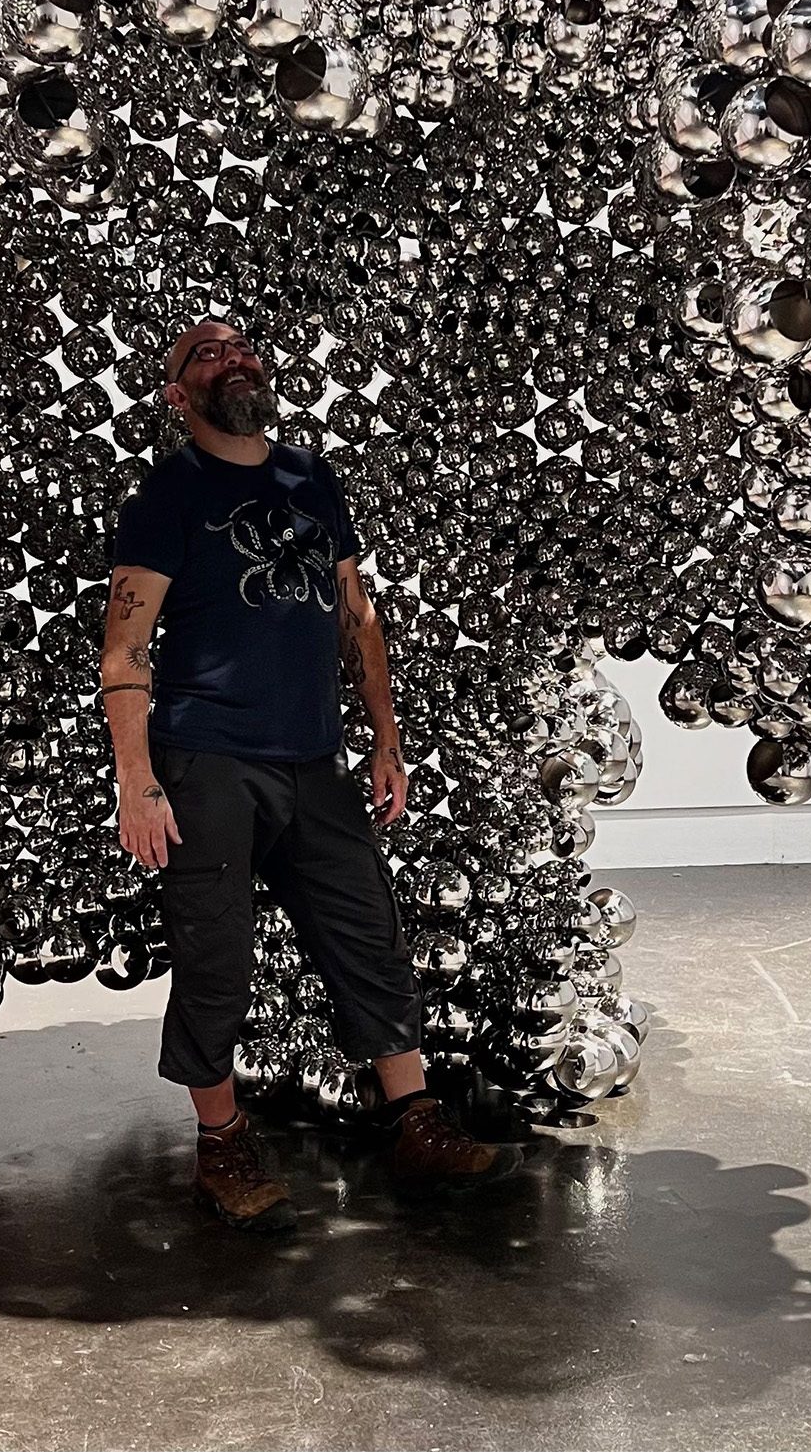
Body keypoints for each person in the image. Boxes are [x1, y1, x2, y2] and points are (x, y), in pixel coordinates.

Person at [102, 318, 521, 1231]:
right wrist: (137, 781)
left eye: (244, 346)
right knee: (216, 958)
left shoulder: (310, 478)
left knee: (367, 929)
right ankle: (222, 1143)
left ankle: (412, 1118)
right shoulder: (168, 494)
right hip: (207, 760)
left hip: (314, 757)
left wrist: (386, 740)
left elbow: (355, 617)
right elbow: (127, 646)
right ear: (178, 395)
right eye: (206, 354)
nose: (236, 358)